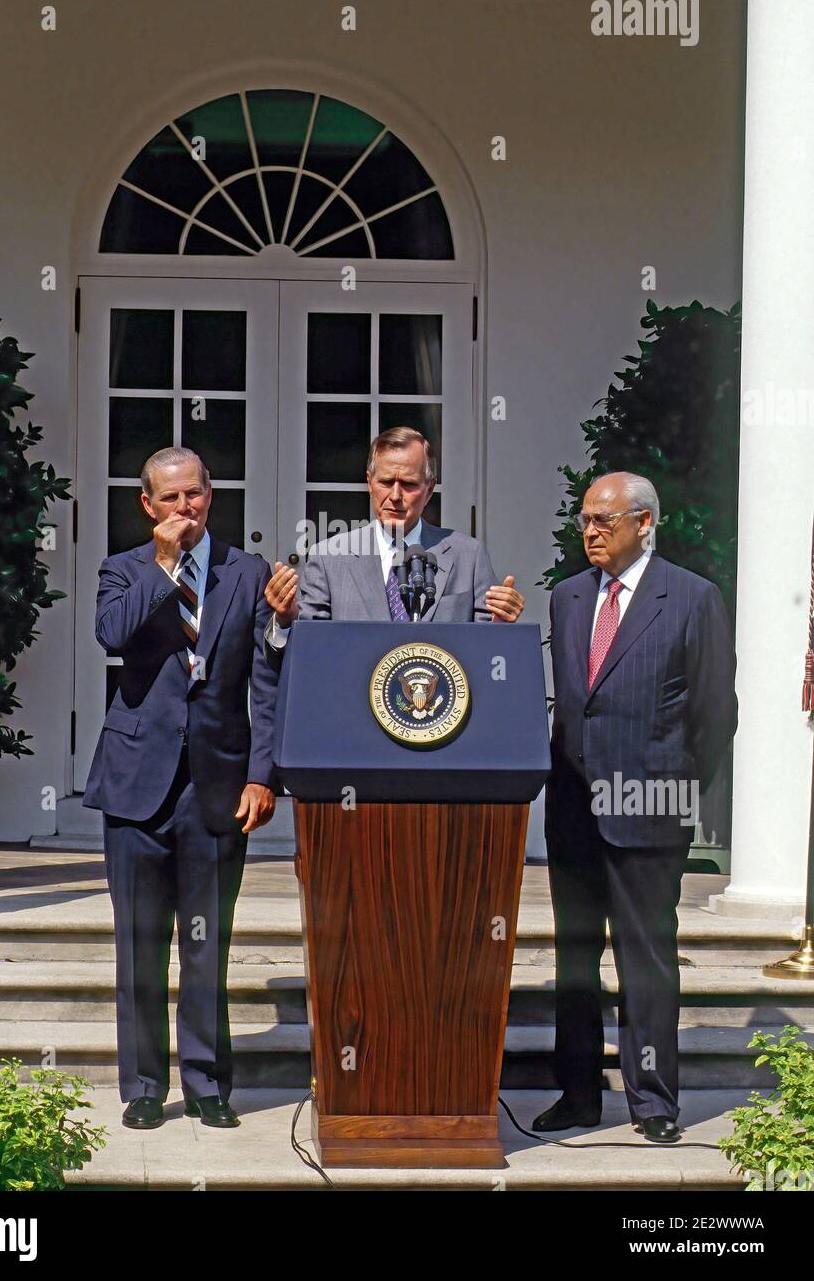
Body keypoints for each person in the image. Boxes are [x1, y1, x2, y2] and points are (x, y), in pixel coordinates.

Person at [536, 471, 737, 1143]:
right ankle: (577, 1094)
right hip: (572, 810)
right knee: (575, 956)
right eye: (585, 520)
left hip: (650, 808)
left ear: (644, 523)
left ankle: (653, 1102)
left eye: (604, 521)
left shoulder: (691, 598)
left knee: (645, 960)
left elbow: (714, 714)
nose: (589, 532)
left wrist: (676, 785)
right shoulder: (567, 598)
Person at [83, 447, 279, 1131]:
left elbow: (268, 681)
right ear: (148, 505)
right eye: (169, 499)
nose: (183, 509)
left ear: (210, 495)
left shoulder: (246, 573)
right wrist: (164, 567)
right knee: (141, 943)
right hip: (136, 784)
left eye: (193, 495)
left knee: (206, 943)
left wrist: (263, 773)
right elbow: (113, 634)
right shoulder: (123, 570)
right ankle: (142, 1085)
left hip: (217, 787)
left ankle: (206, 1082)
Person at [264, 426, 524, 641]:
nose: (395, 496)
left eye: (409, 484)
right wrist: (286, 618)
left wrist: (500, 623)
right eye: (386, 482)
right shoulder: (329, 556)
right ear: (370, 483)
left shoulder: (468, 555)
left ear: (429, 490)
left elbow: (490, 649)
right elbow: (308, 652)